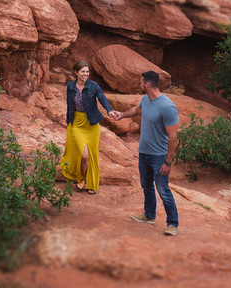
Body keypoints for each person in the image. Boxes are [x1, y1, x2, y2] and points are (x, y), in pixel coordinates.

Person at [113, 71, 180, 236]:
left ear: (147, 84)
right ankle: (149, 215)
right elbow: (137, 109)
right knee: (147, 186)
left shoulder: (167, 106)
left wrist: (168, 162)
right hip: (144, 153)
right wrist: (121, 115)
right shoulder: (145, 99)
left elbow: (173, 137)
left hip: (159, 156)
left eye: (141, 82)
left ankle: (172, 224)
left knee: (163, 190)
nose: (139, 84)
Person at [60, 60, 119, 194]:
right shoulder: (70, 86)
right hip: (77, 123)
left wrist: (109, 110)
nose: (85, 74)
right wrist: (69, 121)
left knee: (91, 155)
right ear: (76, 72)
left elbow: (102, 98)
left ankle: (90, 182)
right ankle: (81, 178)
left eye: (87, 71)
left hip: (91, 124)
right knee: (84, 155)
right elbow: (70, 105)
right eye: (83, 71)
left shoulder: (94, 86)